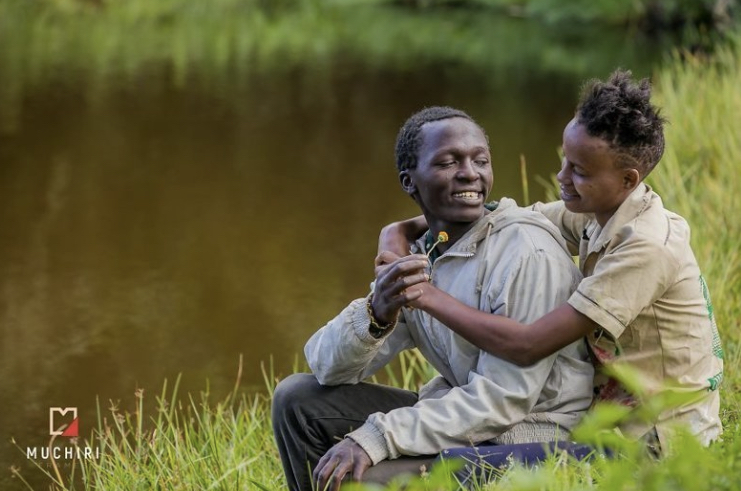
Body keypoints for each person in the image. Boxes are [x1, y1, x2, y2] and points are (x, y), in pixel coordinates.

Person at [378, 70, 723, 450]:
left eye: (578, 171)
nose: (562, 177)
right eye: (565, 161)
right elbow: (491, 217)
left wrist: (424, 295)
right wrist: (399, 231)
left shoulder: (646, 246)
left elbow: (528, 345)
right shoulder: (595, 210)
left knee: (429, 469)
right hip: (607, 415)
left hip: (659, 437)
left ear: (628, 180)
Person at [271, 106, 595, 491]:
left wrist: (377, 437)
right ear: (410, 182)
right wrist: (379, 311)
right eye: (448, 162)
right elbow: (326, 367)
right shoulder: (426, 253)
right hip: (473, 423)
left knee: (367, 479)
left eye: (480, 160)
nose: (469, 172)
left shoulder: (526, 253)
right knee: (297, 399)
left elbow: (503, 401)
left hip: (533, 437)